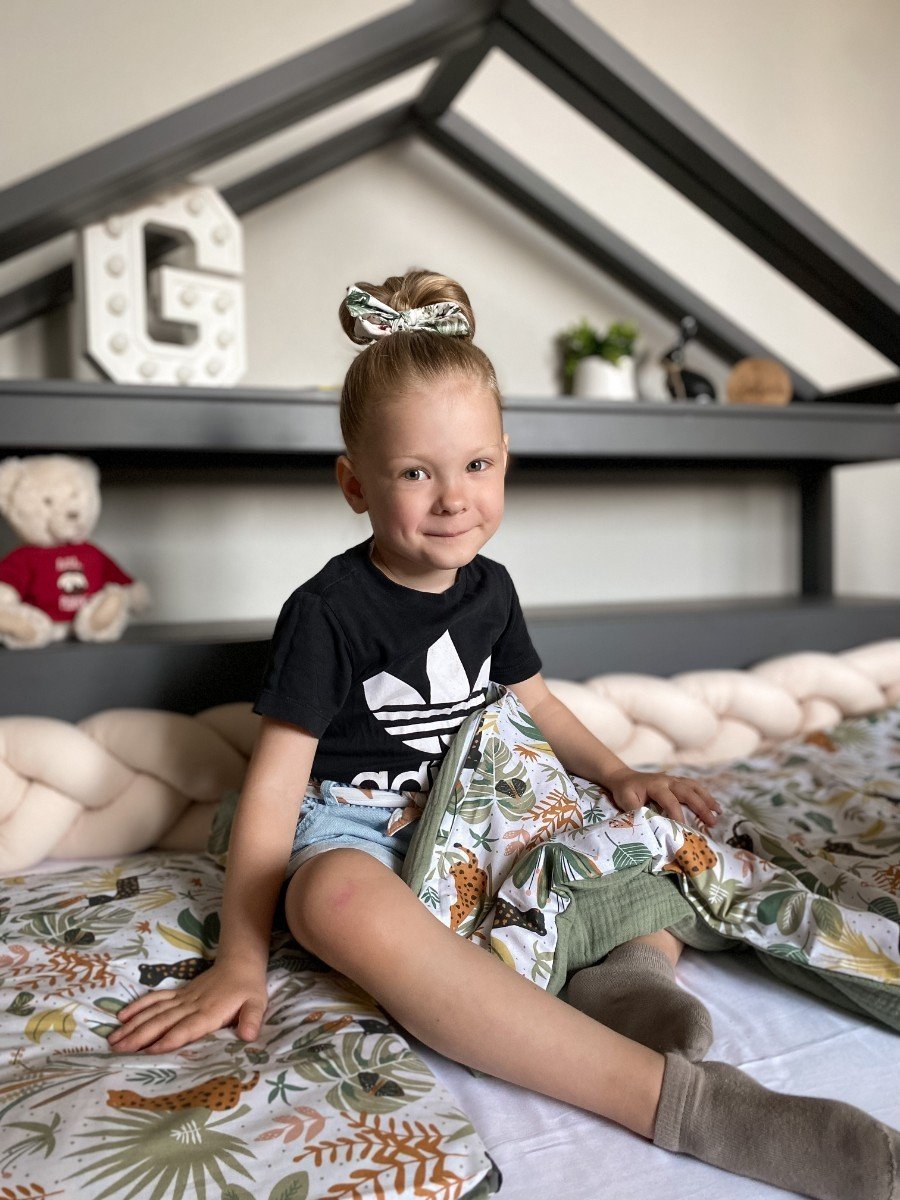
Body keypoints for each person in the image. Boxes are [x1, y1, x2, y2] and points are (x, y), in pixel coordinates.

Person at [108, 269, 898, 1200]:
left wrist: (617, 772)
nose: (454, 499)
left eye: (477, 466)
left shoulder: (492, 590)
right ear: (355, 483)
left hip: (490, 804)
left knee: (637, 830)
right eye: (416, 472)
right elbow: (277, 790)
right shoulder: (327, 612)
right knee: (330, 902)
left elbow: (539, 709)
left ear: (506, 461)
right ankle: (689, 1104)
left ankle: (631, 976)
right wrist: (241, 957)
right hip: (362, 822)